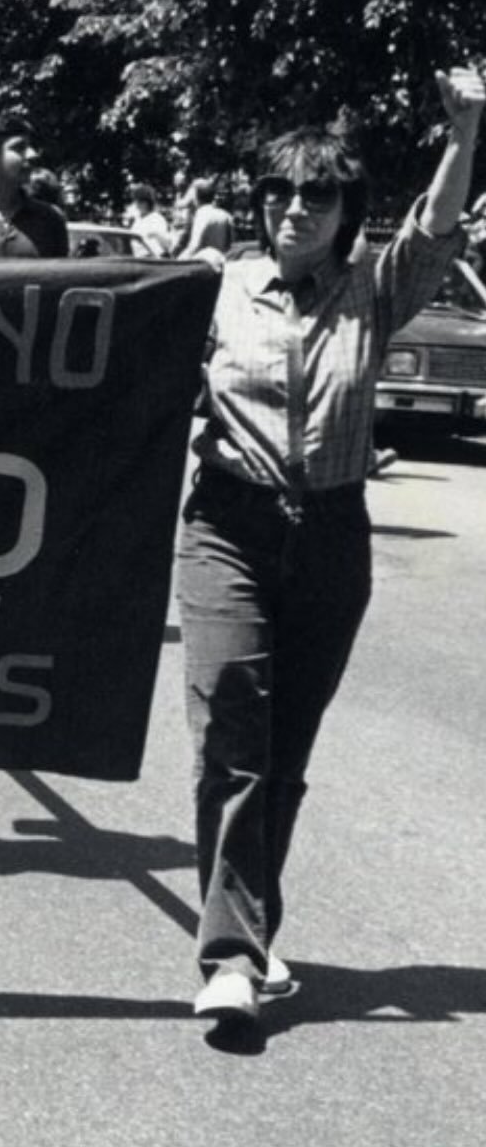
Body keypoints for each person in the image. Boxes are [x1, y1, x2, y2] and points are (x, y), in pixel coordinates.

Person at [179, 66, 485, 1026]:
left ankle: (252, 925)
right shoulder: (217, 291)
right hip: (227, 526)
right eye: (278, 190)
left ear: (348, 209)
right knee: (232, 729)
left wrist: (465, 129)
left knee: (283, 750)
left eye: (319, 193)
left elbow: (436, 229)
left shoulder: (372, 293)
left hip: (332, 539)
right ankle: (228, 954)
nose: (295, 209)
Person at [0, 113, 69, 257]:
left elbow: (61, 277)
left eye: (30, 146)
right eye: (19, 147)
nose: (33, 154)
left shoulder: (50, 218)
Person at [176, 177, 234, 259]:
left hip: (204, 263)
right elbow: (231, 245)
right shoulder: (225, 215)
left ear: (195, 197)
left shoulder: (201, 214)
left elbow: (194, 246)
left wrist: (179, 261)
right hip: (221, 260)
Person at [124, 183, 172, 257]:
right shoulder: (137, 220)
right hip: (135, 258)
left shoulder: (157, 219)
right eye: (137, 201)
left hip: (151, 259)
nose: (137, 205)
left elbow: (167, 245)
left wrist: (157, 235)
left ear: (148, 203)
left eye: (141, 202)